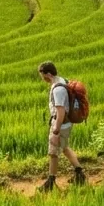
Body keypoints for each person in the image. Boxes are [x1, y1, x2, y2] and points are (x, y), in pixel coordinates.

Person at [37, 61, 85, 192]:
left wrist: (55, 131)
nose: (42, 79)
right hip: (67, 123)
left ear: (48, 74)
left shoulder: (58, 90)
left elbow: (60, 112)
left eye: (42, 76)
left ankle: (51, 182)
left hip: (61, 124)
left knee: (53, 153)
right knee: (64, 147)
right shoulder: (62, 81)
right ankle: (79, 173)